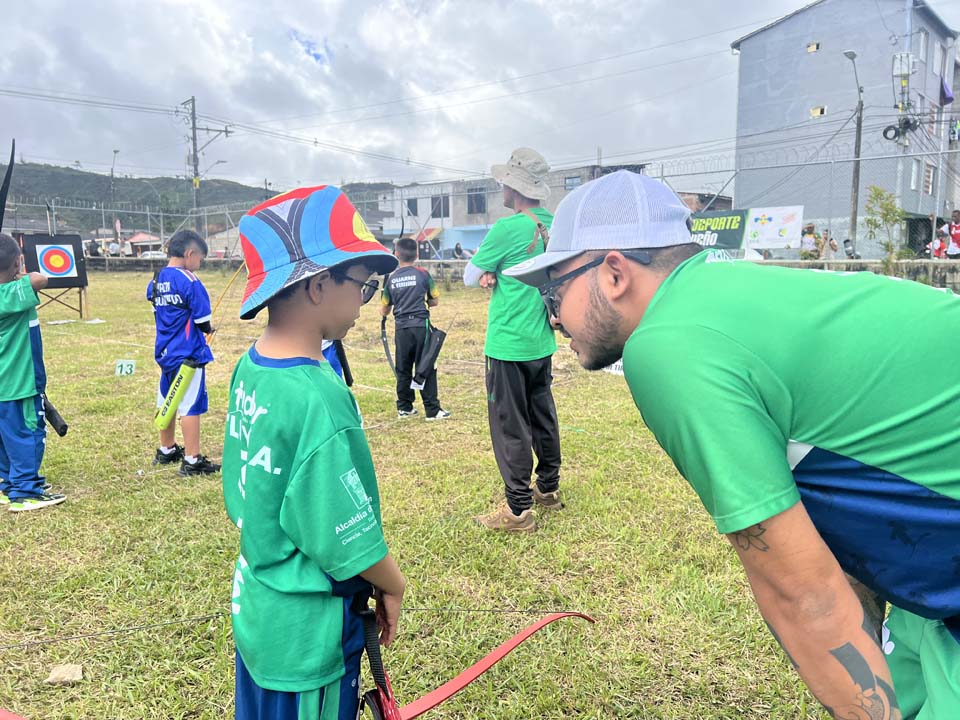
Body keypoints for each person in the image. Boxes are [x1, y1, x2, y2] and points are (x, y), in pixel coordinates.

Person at [505, 170, 960, 719]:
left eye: (554, 290)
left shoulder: (669, 343)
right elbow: (839, 532)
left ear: (615, 272)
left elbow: (803, 596)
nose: (552, 316)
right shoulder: (729, 294)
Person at [223, 185, 406, 720]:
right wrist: (393, 585)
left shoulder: (249, 368)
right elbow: (342, 534)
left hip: (258, 611)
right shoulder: (320, 397)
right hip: (309, 636)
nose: (364, 300)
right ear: (320, 284)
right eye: (364, 286)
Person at [464, 148, 562, 532]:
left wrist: (489, 272)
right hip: (542, 341)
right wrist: (497, 273)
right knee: (543, 415)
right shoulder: (554, 224)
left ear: (513, 186)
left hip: (507, 343)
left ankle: (518, 510)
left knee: (510, 424)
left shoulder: (507, 229)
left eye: (503, 181)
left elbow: (472, 275)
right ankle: (548, 489)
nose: (499, 187)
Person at [146, 229, 220, 476]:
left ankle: (166, 449)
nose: (199, 265)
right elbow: (203, 320)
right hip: (189, 355)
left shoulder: (156, 280)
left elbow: (156, 306)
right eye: (199, 259)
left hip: (165, 354)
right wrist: (209, 330)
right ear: (190, 254)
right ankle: (192, 459)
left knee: (167, 399)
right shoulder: (190, 281)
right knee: (190, 405)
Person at [0, 234, 66, 512]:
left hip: (4, 387)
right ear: (17, 262)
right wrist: (17, 271)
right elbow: (41, 279)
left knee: (4, 436)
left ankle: (6, 485)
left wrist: (11, 269)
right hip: (20, 383)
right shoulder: (13, 293)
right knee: (27, 434)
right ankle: (25, 491)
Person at [380, 237, 449, 421]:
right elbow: (434, 300)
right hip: (420, 326)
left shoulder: (392, 278)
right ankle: (432, 411)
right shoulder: (423, 274)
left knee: (403, 368)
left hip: (401, 328)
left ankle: (404, 407)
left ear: (396, 254)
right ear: (417, 254)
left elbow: (384, 309)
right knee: (425, 364)